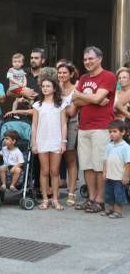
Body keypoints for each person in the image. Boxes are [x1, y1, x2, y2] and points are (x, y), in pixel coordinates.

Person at [72, 46, 117, 214]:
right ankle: (91, 198)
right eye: (85, 59)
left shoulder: (109, 76)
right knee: (87, 166)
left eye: (90, 58)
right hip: (83, 127)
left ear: (100, 58)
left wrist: (84, 97)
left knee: (99, 166)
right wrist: (95, 99)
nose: (87, 62)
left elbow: (90, 97)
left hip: (102, 127)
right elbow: (76, 101)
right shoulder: (83, 77)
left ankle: (100, 200)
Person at [31, 78, 68, 211]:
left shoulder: (61, 104)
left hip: (56, 140)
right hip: (42, 140)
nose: (45, 88)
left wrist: (64, 142)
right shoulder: (37, 105)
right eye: (43, 86)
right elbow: (34, 125)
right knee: (44, 171)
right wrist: (34, 142)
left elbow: (64, 124)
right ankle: (45, 199)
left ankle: (55, 199)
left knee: (55, 171)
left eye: (48, 86)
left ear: (54, 88)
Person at [58, 62, 80, 206]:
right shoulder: (55, 88)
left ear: (71, 74)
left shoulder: (77, 88)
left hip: (71, 124)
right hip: (55, 125)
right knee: (55, 158)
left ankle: (71, 193)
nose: (61, 75)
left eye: (65, 72)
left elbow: (72, 112)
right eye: (59, 72)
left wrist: (58, 109)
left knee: (70, 158)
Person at [102, 120, 130, 218]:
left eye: (114, 131)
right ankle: (110, 209)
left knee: (118, 194)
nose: (112, 134)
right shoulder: (109, 145)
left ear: (122, 132)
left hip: (119, 177)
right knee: (109, 194)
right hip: (110, 176)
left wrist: (126, 176)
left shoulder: (125, 147)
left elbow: (128, 163)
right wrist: (104, 172)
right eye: (110, 132)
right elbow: (105, 160)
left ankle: (118, 211)